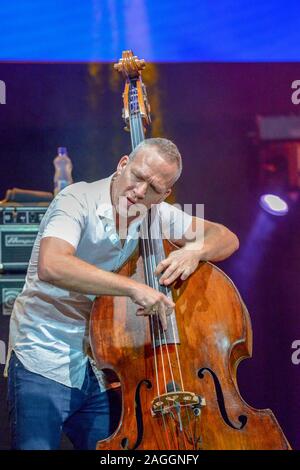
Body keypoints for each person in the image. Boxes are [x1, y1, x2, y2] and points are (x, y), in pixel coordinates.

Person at [6, 138, 239, 449]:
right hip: (43, 356)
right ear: (123, 164)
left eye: (154, 188)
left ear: (164, 194)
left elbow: (225, 237)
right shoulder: (76, 199)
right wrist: (133, 289)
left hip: (100, 368)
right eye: (138, 177)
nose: (140, 192)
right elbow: (52, 264)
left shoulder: (155, 212)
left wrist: (195, 251)